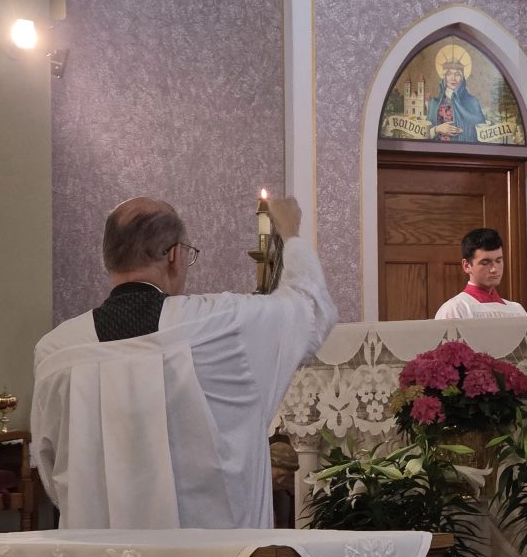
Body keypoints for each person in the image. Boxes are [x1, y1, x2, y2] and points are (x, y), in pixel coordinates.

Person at [31, 196, 337, 529]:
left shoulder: (56, 351)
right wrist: (290, 234)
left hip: (96, 551)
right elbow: (310, 308)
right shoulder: (224, 324)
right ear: (175, 256)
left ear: (109, 260)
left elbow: (52, 465)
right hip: (216, 554)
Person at [435, 227, 527, 319]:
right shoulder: (455, 309)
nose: (494, 269)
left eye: (498, 261)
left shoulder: (517, 310)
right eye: (485, 263)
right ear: (467, 266)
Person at [426, 52, 486, 142]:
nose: (453, 78)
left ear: (462, 78)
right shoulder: (434, 103)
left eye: (457, 74)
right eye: (449, 74)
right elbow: (424, 134)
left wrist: (464, 131)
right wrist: (437, 129)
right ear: (444, 77)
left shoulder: (472, 102)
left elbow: (482, 131)